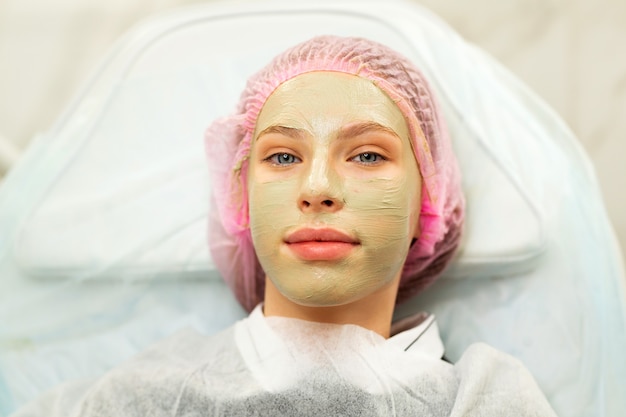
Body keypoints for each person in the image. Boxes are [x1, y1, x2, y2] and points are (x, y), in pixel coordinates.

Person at [12, 35, 557, 416]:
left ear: (429, 201)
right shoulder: (136, 399)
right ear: (242, 201)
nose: (316, 187)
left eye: (367, 156)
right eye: (282, 157)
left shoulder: (487, 400)